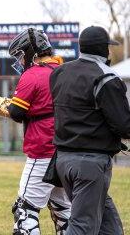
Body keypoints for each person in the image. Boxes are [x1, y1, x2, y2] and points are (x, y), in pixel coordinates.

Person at [50, 26, 126, 234]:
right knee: (83, 227)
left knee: (109, 228)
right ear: (103, 49)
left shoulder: (60, 72)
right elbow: (123, 124)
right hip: (90, 164)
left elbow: (78, 113)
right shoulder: (107, 76)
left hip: (63, 161)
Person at [6, 28, 71, 235]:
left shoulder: (32, 75)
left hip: (42, 149)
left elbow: (16, 112)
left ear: (31, 52)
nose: (20, 59)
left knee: (24, 211)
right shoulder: (65, 71)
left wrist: (6, 108)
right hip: (68, 149)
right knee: (64, 211)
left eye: (21, 54)